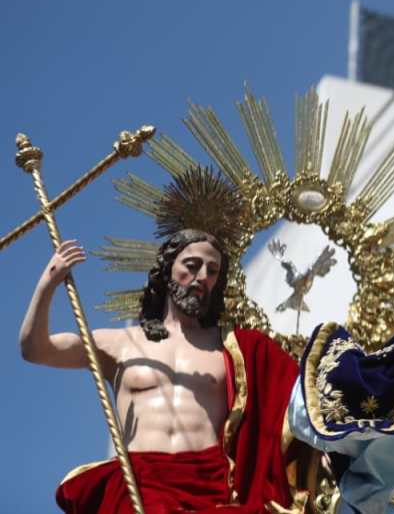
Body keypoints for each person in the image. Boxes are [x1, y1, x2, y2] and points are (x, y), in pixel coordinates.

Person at [19, 168, 315, 513]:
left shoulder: (232, 349)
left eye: (212, 271)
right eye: (191, 265)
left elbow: (297, 399)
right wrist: (48, 284)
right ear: (167, 269)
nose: (201, 277)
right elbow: (35, 349)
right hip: (140, 484)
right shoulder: (121, 343)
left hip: (211, 486)